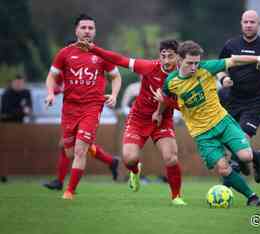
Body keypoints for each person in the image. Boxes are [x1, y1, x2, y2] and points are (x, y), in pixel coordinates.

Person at [157, 40, 260, 206]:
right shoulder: (171, 82)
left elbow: (234, 60)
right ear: (179, 61)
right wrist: (158, 113)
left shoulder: (207, 68)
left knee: (245, 156)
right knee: (223, 168)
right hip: (202, 134)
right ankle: (252, 197)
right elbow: (164, 98)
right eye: (190, 63)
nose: (194, 67)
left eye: (196, 63)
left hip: (223, 122)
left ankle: (255, 157)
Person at [76, 39, 186, 205]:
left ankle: (176, 197)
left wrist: (167, 102)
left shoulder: (183, 77)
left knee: (171, 158)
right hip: (139, 119)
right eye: (163, 56)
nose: (166, 61)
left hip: (163, 121)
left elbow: (186, 107)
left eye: (170, 56)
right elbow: (120, 59)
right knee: (129, 159)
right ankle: (135, 171)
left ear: (178, 57)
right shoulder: (149, 67)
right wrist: (93, 49)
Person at [45, 14, 122, 200]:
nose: (87, 31)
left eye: (91, 28)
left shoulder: (102, 54)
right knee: (69, 150)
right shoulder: (65, 53)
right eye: (84, 27)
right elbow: (51, 76)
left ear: (94, 31)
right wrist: (49, 93)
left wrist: (114, 95)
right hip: (70, 109)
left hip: (92, 108)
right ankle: (111, 161)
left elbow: (116, 76)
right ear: (76, 30)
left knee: (80, 150)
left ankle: (69, 191)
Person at [217, 10, 260, 181]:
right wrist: (224, 78)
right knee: (224, 139)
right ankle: (255, 157)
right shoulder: (230, 45)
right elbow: (219, 68)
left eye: (252, 22)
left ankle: (236, 169)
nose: (248, 25)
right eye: (245, 22)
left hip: (256, 102)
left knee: (239, 139)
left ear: (259, 25)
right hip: (231, 99)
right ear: (241, 23)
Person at [43, 74, 120, 191]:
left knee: (75, 146)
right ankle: (111, 161)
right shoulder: (67, 68)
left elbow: (108, 78)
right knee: (82, 147)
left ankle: (61, 182)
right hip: (73, 113)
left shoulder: (86, 69)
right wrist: (53, 92)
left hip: (88, 113)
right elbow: (55, 84)